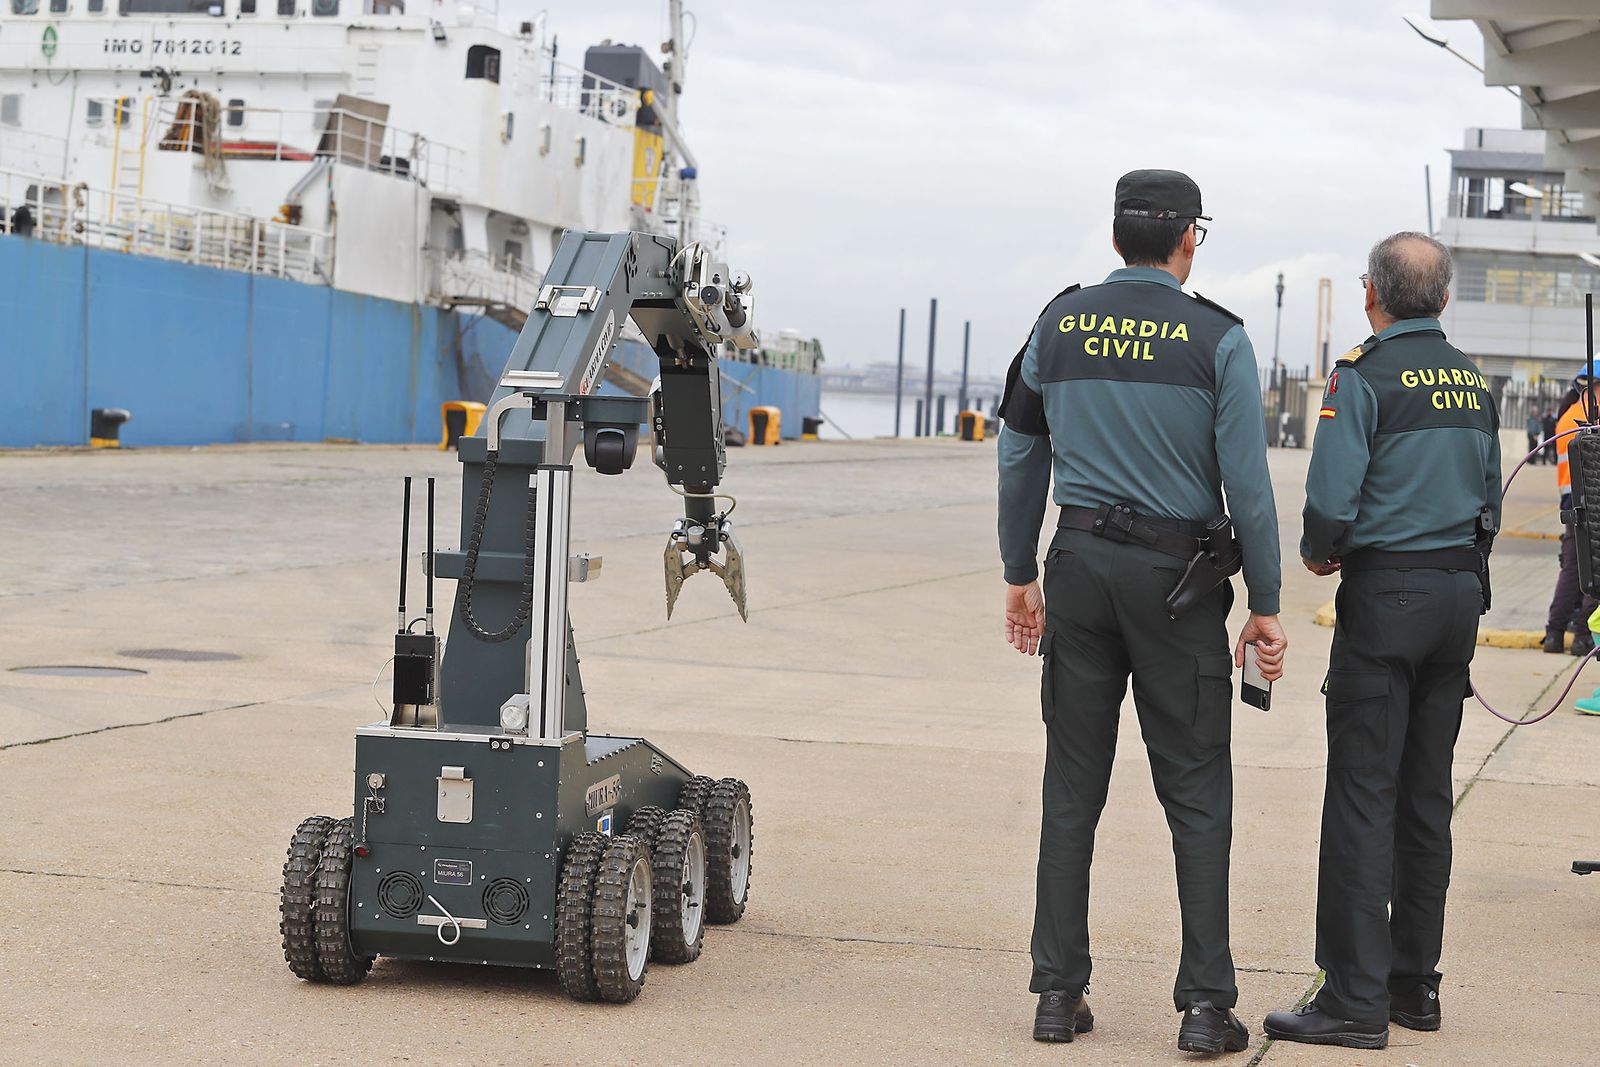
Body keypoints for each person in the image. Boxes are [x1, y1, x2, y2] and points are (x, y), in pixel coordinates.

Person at [996, 169, 1285, 1054]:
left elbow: (1019, 452)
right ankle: (1203, 1006)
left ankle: (1057, 994)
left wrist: (1019, 572)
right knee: (1196, 794)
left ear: (1117, 236)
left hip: (1079, 569)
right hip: (1177, 585)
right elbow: (1250, 487)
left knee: (1070, 789)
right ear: (1189, 238)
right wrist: (1265, 605)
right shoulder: (1220, 339)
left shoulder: (1057, 323)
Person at [1267, 232, 1500, 1050]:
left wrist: (1319, 550)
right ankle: (1414, 984)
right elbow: (1489, 495)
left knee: (1363, 794)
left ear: (1371, 293)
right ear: (1444, 299)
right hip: (1458, 595)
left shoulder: (1363, 375)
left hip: (1389, 595)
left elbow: (1331, 500)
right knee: (1426, 795)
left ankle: (1353, 998)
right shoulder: (1471, 379)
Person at [1543, 372, 1600, 656]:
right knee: (1596, 572)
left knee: (1572, 569)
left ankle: (1554, 633)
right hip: (1595, 503)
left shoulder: (1568, 416)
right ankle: (1583, 635)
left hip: (1571, 502)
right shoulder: (1594, 419)